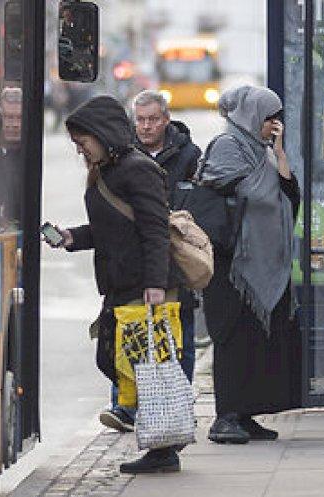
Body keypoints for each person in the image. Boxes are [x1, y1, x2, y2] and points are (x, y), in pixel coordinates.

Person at [48, 95, 183, 474]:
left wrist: (156, 283)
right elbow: (112, 228)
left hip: (143, 286)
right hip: (121, 284)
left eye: (82, 142)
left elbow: (155, 230)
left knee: (148, 367)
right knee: (119, 360)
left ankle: (164, 448)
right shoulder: (107, 170)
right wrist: (73, 237)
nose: (80, 150)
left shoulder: (136, 169)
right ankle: (157, 440)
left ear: (102, 134)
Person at [97, 90, 202, 434]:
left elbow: (194, 207)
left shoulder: (189, 155)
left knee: (175, 337)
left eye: (153, 119)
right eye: (139, 120)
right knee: (129, 334)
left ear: (166, 120)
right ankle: (124, 407)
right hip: (133, 261)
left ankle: (177, 405)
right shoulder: (121, 155)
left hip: (173, 257)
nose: (145, 126)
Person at [202, 85, 302, 444]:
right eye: (268, 118)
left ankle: (246, 413)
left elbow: (291, 197)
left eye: (277, 118)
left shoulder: (264, 153)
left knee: (258, 341)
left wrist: (279, 155)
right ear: (250, 116)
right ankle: (225, 416)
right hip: (233, 266)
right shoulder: (227, 147)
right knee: (234, 341)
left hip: (262, 260)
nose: (273, 124)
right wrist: (268, 175)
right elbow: (242, 193)